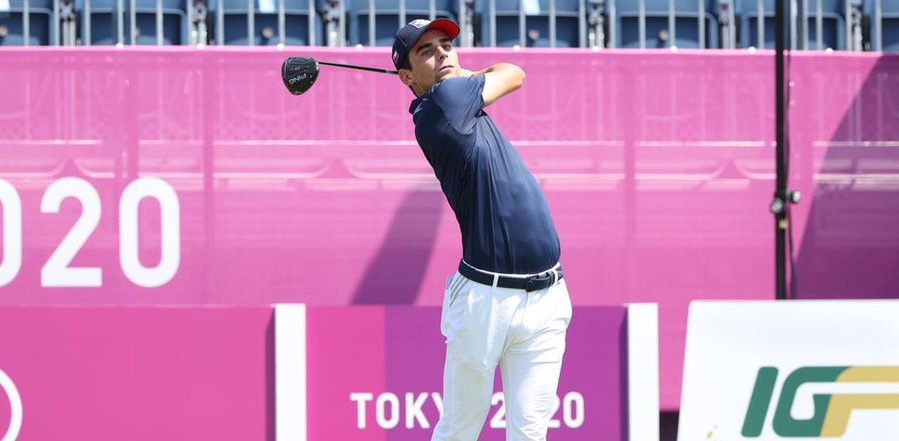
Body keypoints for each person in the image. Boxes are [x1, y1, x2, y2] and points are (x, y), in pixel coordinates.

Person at [391, 18, 573, 441]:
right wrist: (464, 75)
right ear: (406, 77)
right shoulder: (445, 103)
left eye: (446, 46)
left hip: (547, 296)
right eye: (427, 52)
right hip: (485, 303)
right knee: (460, 428)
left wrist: (452, 75)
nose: (442, 55)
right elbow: (514, 73)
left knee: (529, 432)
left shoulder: (452, 99)